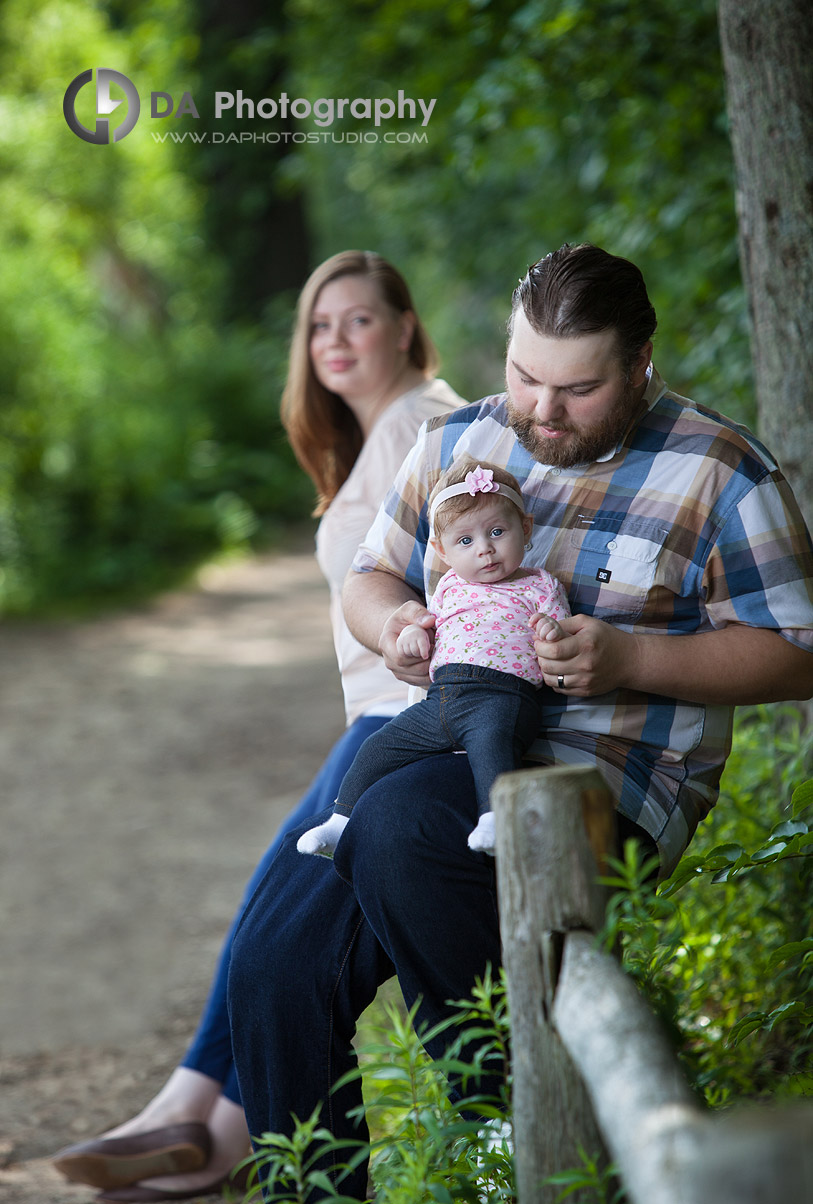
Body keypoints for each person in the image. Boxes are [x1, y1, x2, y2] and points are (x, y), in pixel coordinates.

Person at [227, 242, 813, 1202]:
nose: (539, 410)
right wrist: (396, 626)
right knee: (273, 964)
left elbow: (795, 647)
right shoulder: (460, 440)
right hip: (442, 736)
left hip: (603, 782)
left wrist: (634, 658)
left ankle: (502, 1131)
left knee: (402, 824)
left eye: (576, 389)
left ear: (640, 363)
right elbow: (370, 574)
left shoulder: (721, 470)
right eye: (522, 374)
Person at [50, 250, 462, 1203]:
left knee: (280, 913)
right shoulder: (380, 431)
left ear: (404, 325)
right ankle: (212, 1124)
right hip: (379, 716)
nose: (336, 341)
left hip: (405, 720)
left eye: (358, 319)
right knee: (276, 917)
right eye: (320, 326)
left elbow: (467, 565)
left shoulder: (421, 421)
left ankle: (193, 1117)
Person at [297, 456, 570, 860]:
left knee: (492, 749)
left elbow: (559, 631)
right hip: (441, 698)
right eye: (466, 541)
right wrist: (410, 634)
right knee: (378, 747)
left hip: (502, 696)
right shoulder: (448, 588)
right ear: (441, 550)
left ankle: (495, 819)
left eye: (497, 532)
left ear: (525, 529)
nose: (485, 550)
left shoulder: (538, 584)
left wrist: (551, 631)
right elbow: (430, 625)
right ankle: (341, 822)